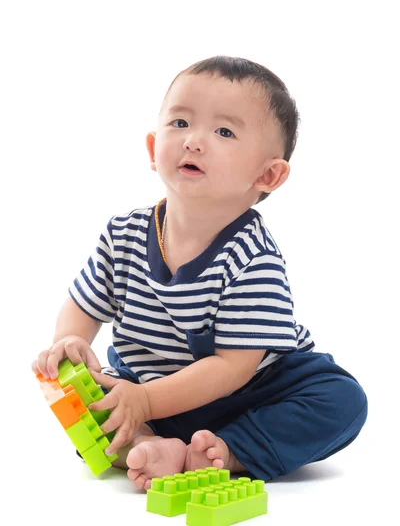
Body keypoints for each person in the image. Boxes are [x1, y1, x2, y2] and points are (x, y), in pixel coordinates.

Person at [32, 55, 368, 491]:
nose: (193, 141)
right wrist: (70, 342)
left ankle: (226, 450)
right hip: (149, 388)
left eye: (224, 131)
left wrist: (147, 400)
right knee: (92, 401)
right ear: (154, 149)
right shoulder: (124, 233)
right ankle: (150, 444)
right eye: (180, 123)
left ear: (267, 174)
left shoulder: (252, 256)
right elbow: (84, 303)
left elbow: (233, 367)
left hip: (252, 391)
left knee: (342, 401)